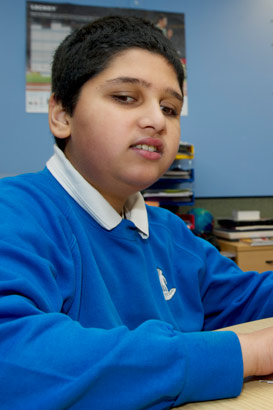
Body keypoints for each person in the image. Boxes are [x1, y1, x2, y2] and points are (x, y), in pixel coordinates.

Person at [1, 14, 273, 410]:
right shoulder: (17, 212)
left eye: (170, 108)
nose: (155, 121)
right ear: (62, 115)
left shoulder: (169, 231)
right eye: (125, 97)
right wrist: (248, 354)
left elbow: (245, 299)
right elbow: (15, 359)